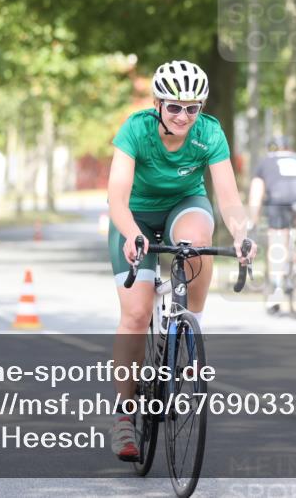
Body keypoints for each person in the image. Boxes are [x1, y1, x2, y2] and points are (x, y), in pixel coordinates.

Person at [106, 59, 255, 461]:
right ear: (158, 103)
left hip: (184, 205)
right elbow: (117, 198)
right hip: (134, 214)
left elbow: (228, 197)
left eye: (193, 107)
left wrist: (242, 235)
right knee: (136, 315)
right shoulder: (136, 129)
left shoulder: (209, 134)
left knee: (197, 242)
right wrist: (133, 233)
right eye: (174, 107)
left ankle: (194, 323)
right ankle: (124, 415)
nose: (183, 116)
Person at [247, 136, 296, 314]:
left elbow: (256, 193)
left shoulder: (266, 162)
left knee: (278, 242)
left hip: (279, 200)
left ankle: (276, 291)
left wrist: (252, 220)